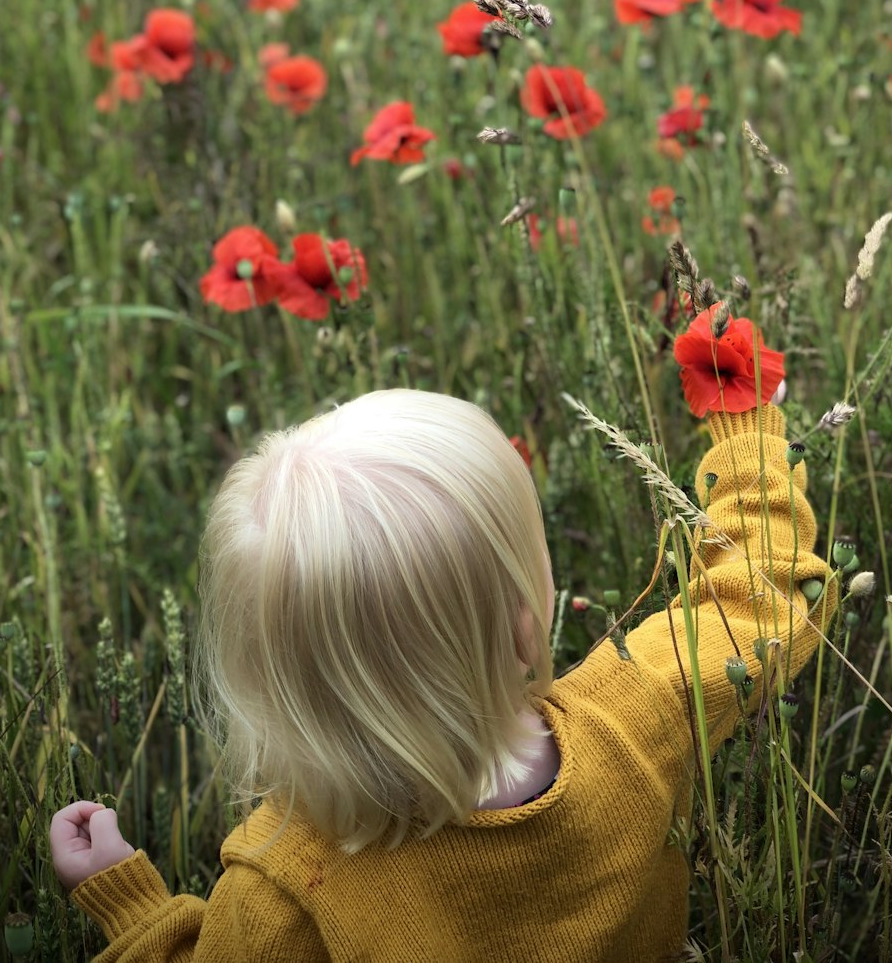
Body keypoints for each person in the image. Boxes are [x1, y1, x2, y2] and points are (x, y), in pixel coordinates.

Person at [51, 312, 836, 961]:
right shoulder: (636, 716)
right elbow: (764, 595)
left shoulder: (290, 887)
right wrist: (747, 425)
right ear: (526, 626)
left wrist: (136, 911)